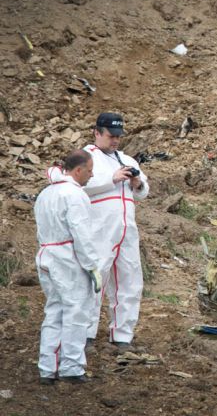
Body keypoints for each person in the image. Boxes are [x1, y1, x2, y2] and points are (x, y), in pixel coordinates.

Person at [35, 150, 102, 385]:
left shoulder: (45, 193)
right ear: (78, 170)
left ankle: (47, 367)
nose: (92, 176)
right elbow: (82, 234)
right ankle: (71, 367)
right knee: (75, 311)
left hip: (45, 253)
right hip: (67, 257)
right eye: (90, 170)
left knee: (54, 310)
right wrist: (92, 267)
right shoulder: (75, 195)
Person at [83, 112, 149, 349]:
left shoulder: (127, 159)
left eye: (118, 136)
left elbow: (144, 191)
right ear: (97, 132)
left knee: (130, 279)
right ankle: (85, 332)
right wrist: (112, 179)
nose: (115, 141)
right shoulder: (86, 156)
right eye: (111, 136)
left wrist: (137, 182)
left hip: (127, 229)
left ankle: (122, 334)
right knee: (95, 278)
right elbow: (80, 184)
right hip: (99, 228)